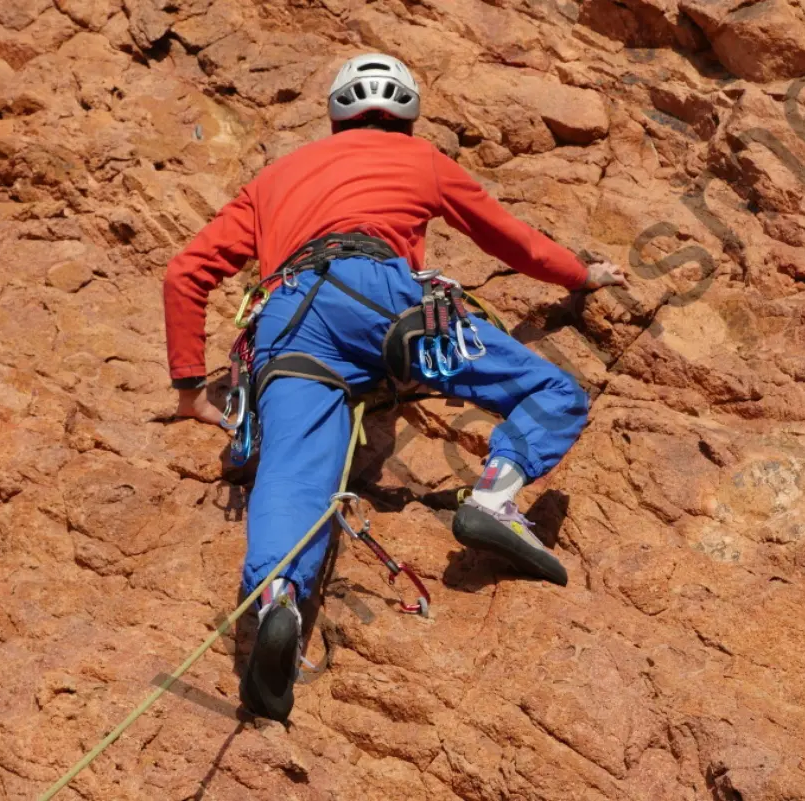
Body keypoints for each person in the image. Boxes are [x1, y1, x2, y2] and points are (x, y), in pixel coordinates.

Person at [162, 53, 626, 721]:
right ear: (407, 117)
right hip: (385, 299)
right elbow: (514, 242)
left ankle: (277, 600)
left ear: (334, 116)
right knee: (551, 392)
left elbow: (185, 273)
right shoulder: (420, 161)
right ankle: (494, 496)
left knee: (292, 477)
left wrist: (189, 391)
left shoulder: (275, 179)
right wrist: (579, 276)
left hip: (289, 320)